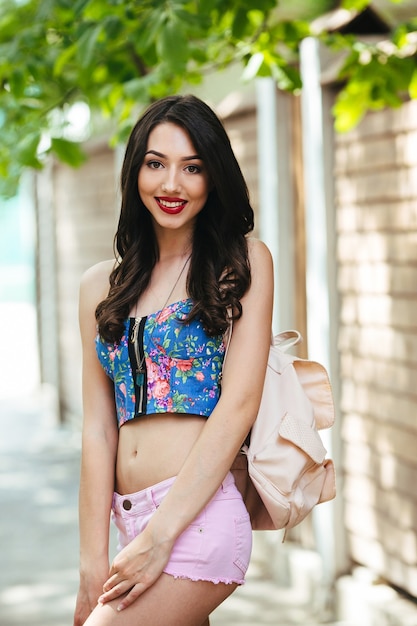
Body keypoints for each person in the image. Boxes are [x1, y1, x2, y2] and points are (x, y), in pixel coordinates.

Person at [73, 93, 273, 626]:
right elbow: (98, 430)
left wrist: (161, 537)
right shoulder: (100, 286)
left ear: (215, 178)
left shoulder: (243, 264)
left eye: (193, 168)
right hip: (128, 522)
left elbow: (240, 405)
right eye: (155, 163)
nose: (171, 185)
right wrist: (92, 563)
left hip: (198, 519)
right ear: (135, 169)